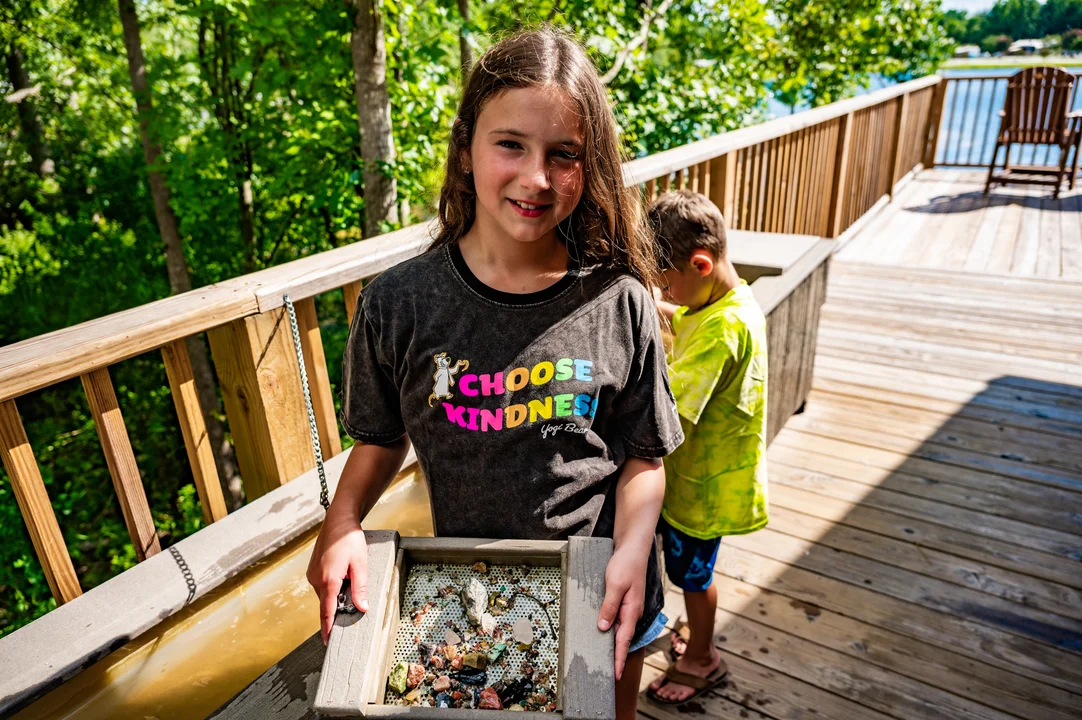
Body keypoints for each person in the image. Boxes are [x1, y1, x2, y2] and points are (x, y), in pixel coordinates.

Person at [306, 28, 684, 719]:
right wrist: (342, 523)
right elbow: (383, 437)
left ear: (588, 165)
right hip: (469, 593)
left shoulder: (617, 298)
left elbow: (644, 455)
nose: (536, 178)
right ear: (465, 150)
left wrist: (633, 548)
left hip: (604, 590)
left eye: (564, 154)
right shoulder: (399, 303)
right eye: (510, 144)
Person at [645, 190, 768, 705]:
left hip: (703, 488)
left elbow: (671, 409)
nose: (663, 290)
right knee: (689, 571)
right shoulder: (730, 298)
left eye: (665, 280)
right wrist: (660, 305)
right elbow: (692, 317)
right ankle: (696, 636)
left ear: (700, 263)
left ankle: (702, 657)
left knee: (694, 576)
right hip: (709, 473)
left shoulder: (724, 328)